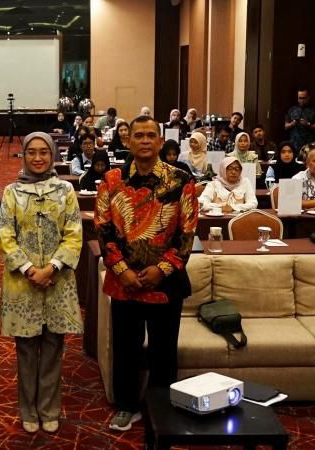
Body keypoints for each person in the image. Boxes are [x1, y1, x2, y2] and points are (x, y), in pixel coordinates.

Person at [95, 116, 198, 431]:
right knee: (125, 349)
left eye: (150, 135)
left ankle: (160, 409)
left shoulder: (181, 180)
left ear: (160, 141)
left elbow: (187, 233)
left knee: (163, 351)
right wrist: (122, 270)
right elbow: (103, 229)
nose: (144, 141)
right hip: (123, 282)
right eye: (138, 135)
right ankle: (126, 406)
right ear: (128, 141)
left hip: (165, 283)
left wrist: (161, 269)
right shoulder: (111, 180)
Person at [0, 132, 82, 434]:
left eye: (43, 152)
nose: (37, 157)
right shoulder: (12, 192)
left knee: (52, 348)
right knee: (25, 350)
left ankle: (49, 408)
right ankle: (28, 409)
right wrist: (30, 269)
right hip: (23, 282)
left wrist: (52, 268)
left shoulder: (65, 190)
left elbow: (74, 233)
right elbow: (5, 234)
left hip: (58, 281)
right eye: (31, 152)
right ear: (23, 155)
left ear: (52, 154)